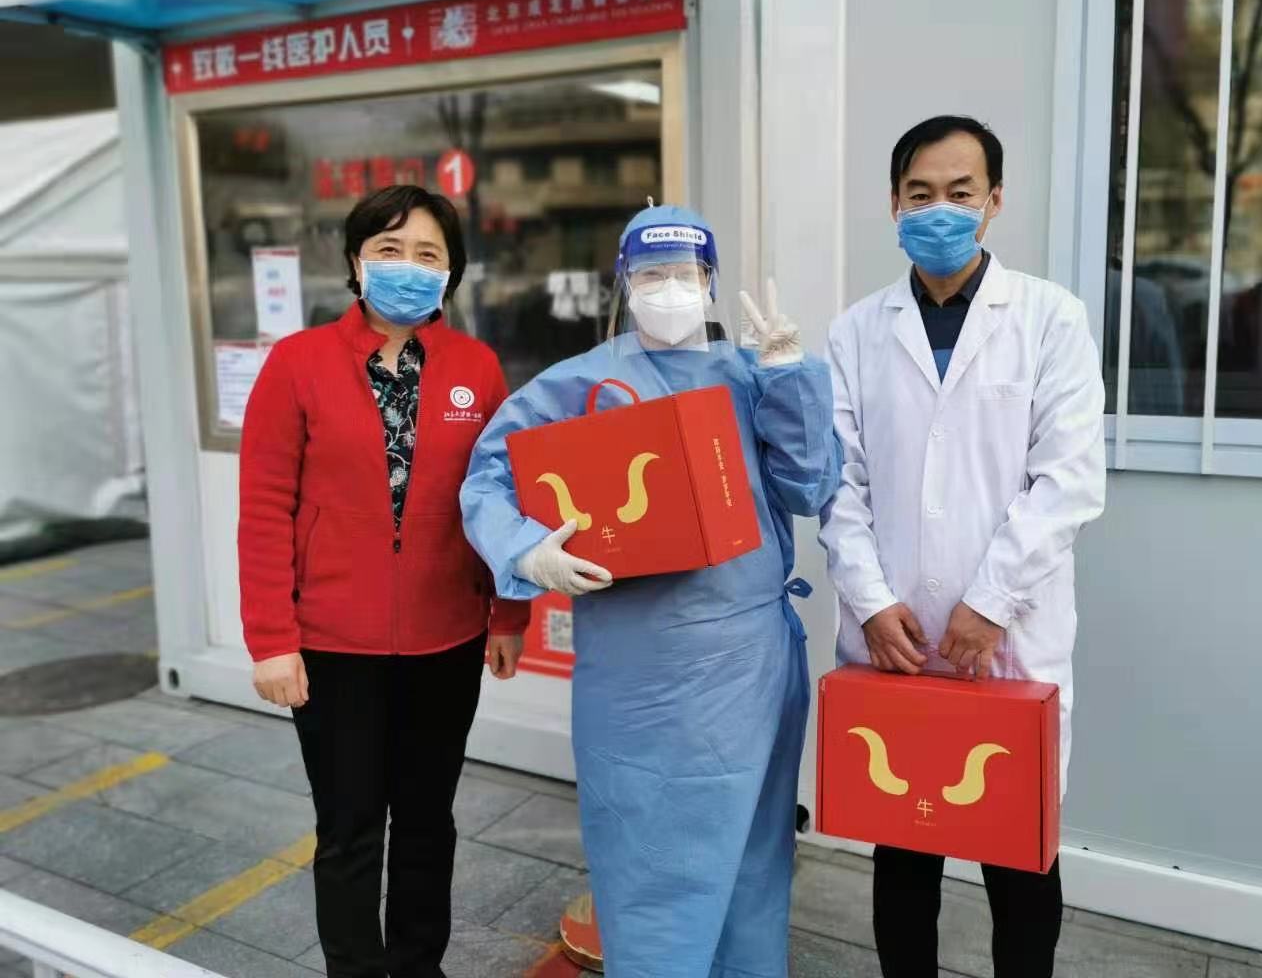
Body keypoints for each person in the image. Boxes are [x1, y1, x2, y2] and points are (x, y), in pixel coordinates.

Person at [460, 204, 842, 977]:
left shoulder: (753, 373)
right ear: (625, 283)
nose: (671, 288)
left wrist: (790, 380)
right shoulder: (578, 384)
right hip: (641, 673)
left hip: (752, 661)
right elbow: (486, 478)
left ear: (712, 282)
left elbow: (812, 487)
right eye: (652, 274)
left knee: (755, 856)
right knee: (650, 864)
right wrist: (529, 552)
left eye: (688, 273)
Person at [819, 116, 1106, 978]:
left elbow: (1068, 480)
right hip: (896, 638)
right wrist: (872, 602)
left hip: (1009, 640)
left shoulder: (1050, 318)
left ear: (994, 202)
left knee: (1019, 858)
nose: (938, 209)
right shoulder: (856, 331)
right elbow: (839, 483)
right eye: (920, 194)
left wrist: (989, 604)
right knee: (904, 850)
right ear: (893, 204)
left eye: (960, 192)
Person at [238, 184, 530, 978]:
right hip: (334, 648)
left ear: (451, 272)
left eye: (428, 253)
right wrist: (271, 639)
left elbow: (502, 499)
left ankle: (418, 965)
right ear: (356, 261)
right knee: (350, 828)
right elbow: (263, 508)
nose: (408, 266)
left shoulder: (476, 368)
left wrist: (510, 615)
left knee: (429, 822)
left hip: (448, 639)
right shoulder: (297, 363)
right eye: (389, 249)